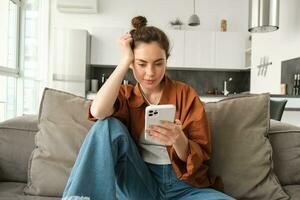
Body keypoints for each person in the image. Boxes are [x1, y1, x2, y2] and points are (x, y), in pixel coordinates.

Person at [62, 16, 235, 200]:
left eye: (158, 63)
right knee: (106, 125)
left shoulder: (185, 94)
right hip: (139, 181)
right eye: (141, 64)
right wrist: (125, 60)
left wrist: (178, 139)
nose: (150, 73)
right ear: (132, 63)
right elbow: (97, 112)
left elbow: (200, 158)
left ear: (166, 61)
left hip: (183, 187)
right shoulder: (125, 95)